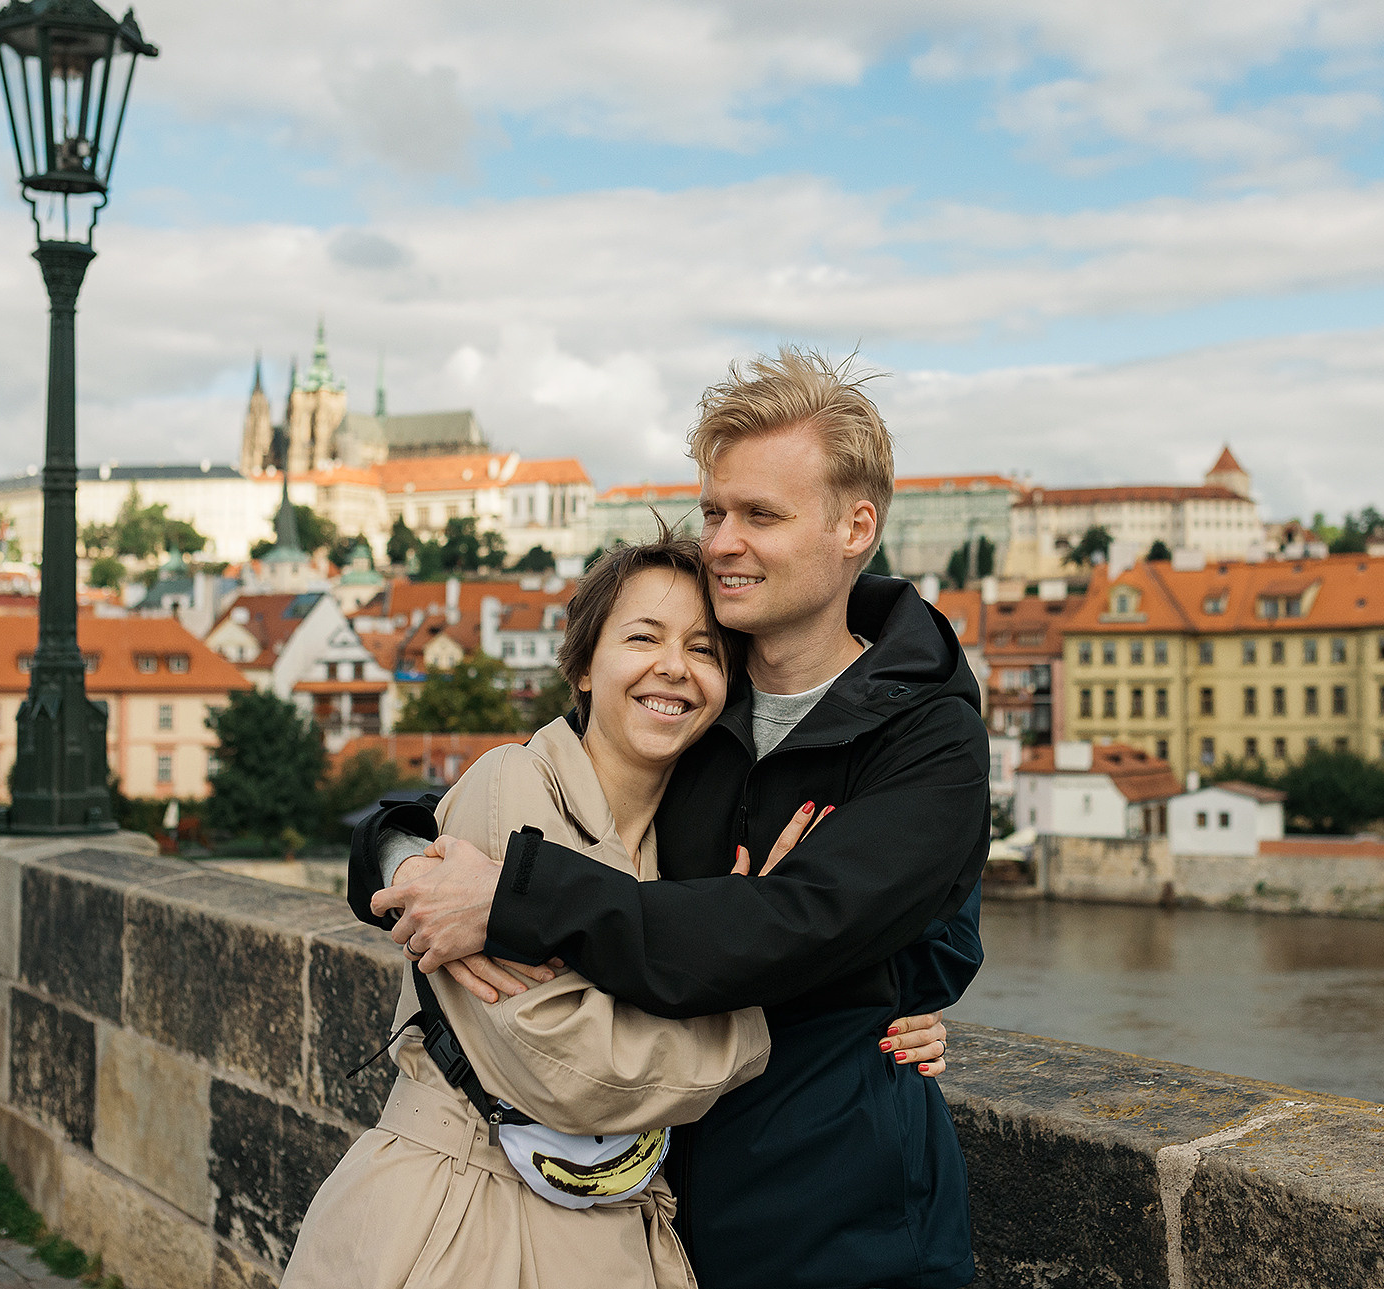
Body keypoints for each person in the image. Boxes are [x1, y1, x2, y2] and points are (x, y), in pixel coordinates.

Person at [370, 348, 991, 1289]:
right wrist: (402, 854)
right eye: (715, 511)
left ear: (855, 525)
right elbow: (529, 783)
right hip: (652, 1223)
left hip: (840, 1228)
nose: (725, 541)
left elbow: (786, 929)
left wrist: (517, 899)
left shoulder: (929, 739)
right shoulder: (699, 698)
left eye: (761, 516)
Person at [287, 536, 827, 1288]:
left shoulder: (688, 844)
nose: (674, 665)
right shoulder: (516, 785)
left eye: (704, 649)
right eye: (643, 637)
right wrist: (756, 1002)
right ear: (582, 665)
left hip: (615, 1231)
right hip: (464, 1220)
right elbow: (570, 1067)